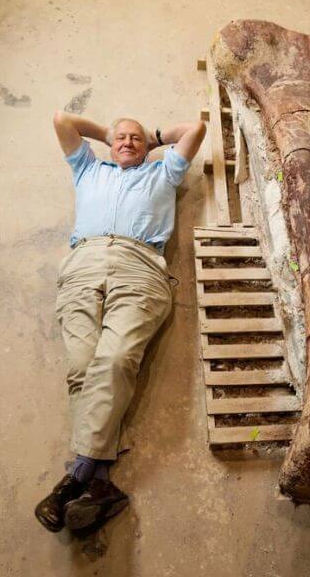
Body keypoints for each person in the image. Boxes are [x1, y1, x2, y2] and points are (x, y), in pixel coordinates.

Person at [34, 111, 206, 533]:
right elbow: (62, 121)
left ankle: (77, 474)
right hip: (82, 265)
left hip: (139, 266)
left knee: (114, 361)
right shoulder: (88, 168)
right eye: (120, 138)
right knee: (80, 366)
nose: (127, 143)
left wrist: (154, 136)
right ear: (109, 145)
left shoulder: (163, 172)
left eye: (135, 139)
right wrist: (108, 132)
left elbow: (195, 129)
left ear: (147, 147)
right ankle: (101, 485)